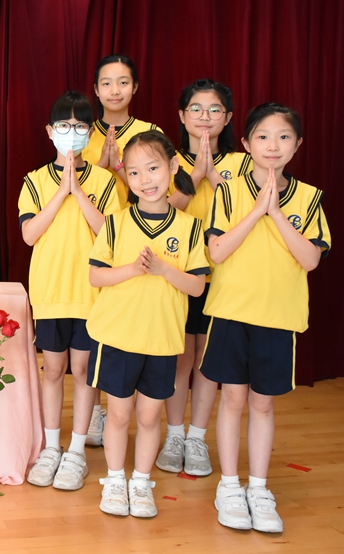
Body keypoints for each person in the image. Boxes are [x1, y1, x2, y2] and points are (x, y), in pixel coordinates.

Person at [201, 103, 330, 533]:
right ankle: (229, 486)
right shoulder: (227, 192)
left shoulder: (309, 198)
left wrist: (276, 213)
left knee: (262, 403)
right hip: (231, 312)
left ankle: (258, 487)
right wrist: (257, 210)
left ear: (297, 145)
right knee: (233, 400)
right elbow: (217, 251)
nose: (273, 145)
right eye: (262, 136)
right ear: (245, 143)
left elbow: (310, 259)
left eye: (283, 137)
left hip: (278, 317)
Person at [87, 131, 208, 518]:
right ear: (126, 175)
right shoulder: (115, 223)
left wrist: (163, 269)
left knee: (151, 416)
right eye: (135, 172)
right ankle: (115, 480)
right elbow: (95, 276)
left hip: (162, 340)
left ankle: (141, 482)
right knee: (119, 415)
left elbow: (197, 285)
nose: (145, 179)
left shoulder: (189, 227)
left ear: (172, 167)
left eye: (153, 168)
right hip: (117, 337)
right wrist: (132, 269)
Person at [19, 92, 121, 492]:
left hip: (91, 294)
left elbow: (110, 234)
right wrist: (61, 191)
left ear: (90, 132)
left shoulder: (105, 182)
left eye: (79, 126)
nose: (71, 132)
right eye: (64, 125)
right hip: (50, 291)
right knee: (53, 370)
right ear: (50, 131)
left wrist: (79, 192)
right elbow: (29, 234)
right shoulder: (35, 180)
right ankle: (51, 447)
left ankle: (76, 450)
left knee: (82, 371)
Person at [156, 79, 251, 477]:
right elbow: (162, 210)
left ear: (227, 118)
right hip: (179, 274)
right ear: (182, 116)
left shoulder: (244, 163)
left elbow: (249, 212)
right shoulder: (169, 160)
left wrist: (215, 177)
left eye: (215, 110)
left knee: (208, 362)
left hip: (226, 278)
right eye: (196, 108)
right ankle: (174, 434)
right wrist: (196, 176)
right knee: (180, 357)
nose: (205, 117)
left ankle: (197, 437)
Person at [82, 54, 164, 448]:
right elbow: (76, 185)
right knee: (95, 329)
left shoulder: (150, 132)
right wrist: (101, 165)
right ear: (96, 90)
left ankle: (137, 417)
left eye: (123, 82)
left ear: (135, 88)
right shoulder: (81, 132)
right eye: (107, 83)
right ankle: (98, 411)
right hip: (90, 238)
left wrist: (120, 170)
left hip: (136, 243)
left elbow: (166, 192)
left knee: (129, 328)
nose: (115, 90)